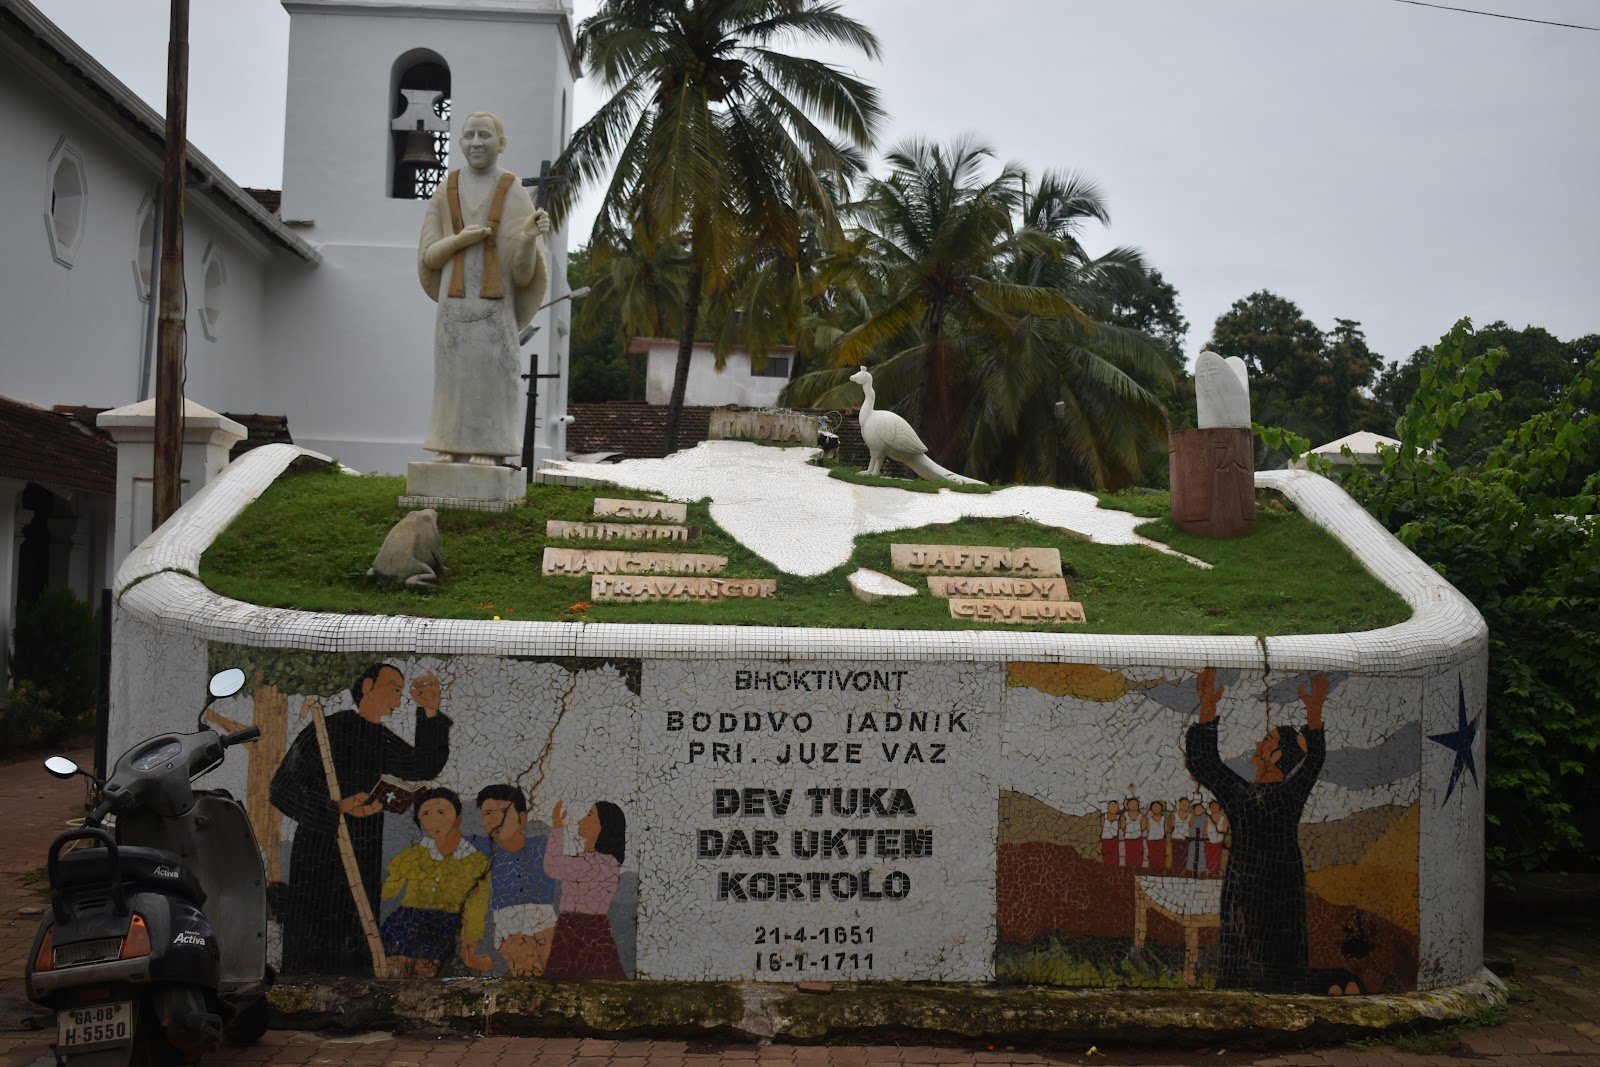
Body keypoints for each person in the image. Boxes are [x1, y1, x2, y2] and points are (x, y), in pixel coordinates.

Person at [269, 663, 451, 975]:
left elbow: (422, 765)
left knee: (359, 923)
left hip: (364, 844)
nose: (398, 695)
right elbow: (281, 789)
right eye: (393, 686)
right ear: (367, 686)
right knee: (314, 924)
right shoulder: (329, 729)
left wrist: (431, 712)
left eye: (400, 689)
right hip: (320, 846)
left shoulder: (380, 737)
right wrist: (337, 807)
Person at [1185, 669, 1358, 994]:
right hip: (1247, 892)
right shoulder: (1242, 795)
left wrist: (1315, 713)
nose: (1258, 743)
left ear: (1278, 755)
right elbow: (1204, 763)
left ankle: (1334, 984)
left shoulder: (1288, 794)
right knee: (1240, 956)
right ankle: (1333, 985)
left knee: (1284, 963)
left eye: (1268, 741)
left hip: (1279, 891)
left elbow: (1314, 760)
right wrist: (1207, 705)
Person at [417, 111, 550, 464]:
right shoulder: (444, 191)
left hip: (494, 310)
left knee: (491, 379)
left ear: (501, 143)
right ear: (459, 142)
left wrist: (527, 240)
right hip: (453, 309)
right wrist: (459, 241)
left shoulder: (514, 191)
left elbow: (522, 276)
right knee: (452, 381)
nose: (476, 143)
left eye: (485, 135)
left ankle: (490, 447)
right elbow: (430, 257)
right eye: (469, 135)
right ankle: (450, 444)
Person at [379, 788, 490, 978]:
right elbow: (387, 891)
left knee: (425, 974)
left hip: (441, 926)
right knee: (393, 972)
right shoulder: (412, 855)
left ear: (458, 819)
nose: (433, 820)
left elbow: (475, 910)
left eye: (441, 812)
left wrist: (468, 946)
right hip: (403, 922)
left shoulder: (477, 862)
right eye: (426, 814)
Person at [461, 784, 561, 976]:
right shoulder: (484, 850)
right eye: (487, 813)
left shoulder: (541, 845)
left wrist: (559, 827)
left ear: (521, 819)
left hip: (546, 921)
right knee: (528, 972)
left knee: (552, 972)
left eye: (503, 812)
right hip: (509, 926)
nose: (495, 819)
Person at [542, 799, 627, 979]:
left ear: (604, 825)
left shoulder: (598, 864)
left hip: (580, 931)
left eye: (590, 815)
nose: (581, 821)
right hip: (581, 930)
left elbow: (552, 866)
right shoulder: (604, 863)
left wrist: (558, 828)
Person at [1099, 800, 1122, 865]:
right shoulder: (1104, 817)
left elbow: (1120, 827)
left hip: (1114, 839)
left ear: (1118, 808)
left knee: (1115, 856)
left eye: (1115, 807)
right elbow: (1102, 825)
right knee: (1106, 855)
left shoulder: (1119, 818)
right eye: (1111, 807)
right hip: (1105, 839)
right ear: (1108, 808)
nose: (1113, 808)